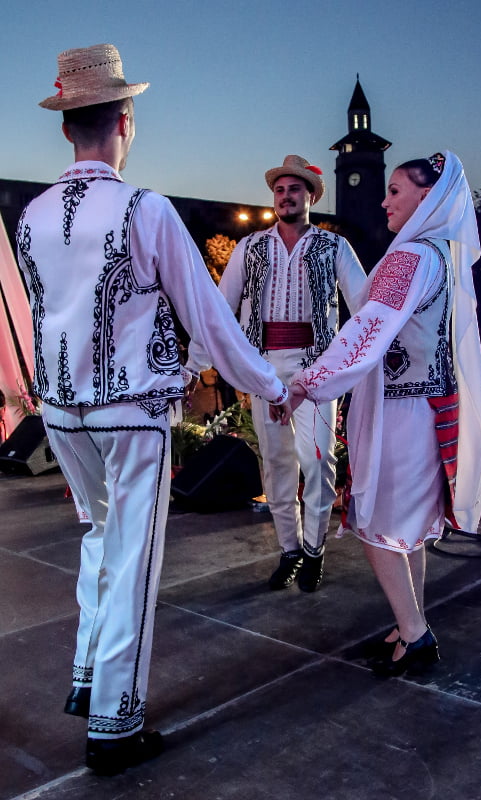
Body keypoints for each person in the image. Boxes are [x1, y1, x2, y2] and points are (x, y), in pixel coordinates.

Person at [17, 44, 290, 777]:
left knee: (100, 539)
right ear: (125, 122)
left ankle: (87, 673)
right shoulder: (145, 209)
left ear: (67, 127)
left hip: (62, 413)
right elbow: (211, 320)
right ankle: (114, 722)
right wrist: (270, 385)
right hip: (130, 410)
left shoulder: (32, 216)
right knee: (133, 557)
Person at [288, 151, 481, 676]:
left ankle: (417, 635)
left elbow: (367, 327)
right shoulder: (440, 255)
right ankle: (408, 623)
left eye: (395, 190)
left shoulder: (411, 257)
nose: (384, 201)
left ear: (427, 197)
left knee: (374, 520)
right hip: (427, 406)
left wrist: (309, 382)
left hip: (402, 413)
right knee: (407, 529)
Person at [219, 155, 366, 591]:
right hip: (264, 368)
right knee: (277, 463)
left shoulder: (334, 246)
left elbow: (363, 308)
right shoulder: (250, 247)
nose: (285, 197)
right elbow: (221, 308)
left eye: (294, 190)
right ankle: (289, 550)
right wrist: (204, 363)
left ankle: (314, 550)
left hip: (315, 369)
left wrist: (354, 361)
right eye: (280, 190)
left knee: (318, 460)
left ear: (311, 196)